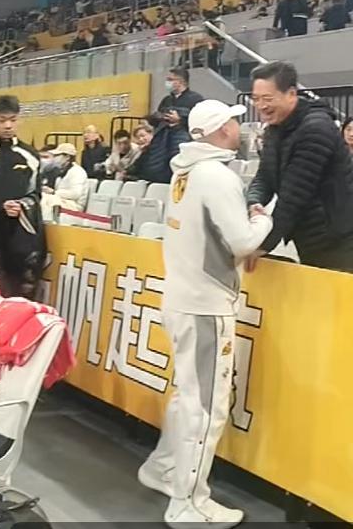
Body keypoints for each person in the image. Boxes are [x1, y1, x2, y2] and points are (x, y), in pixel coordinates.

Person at [138, 100, 272, 528]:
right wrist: (264, 219)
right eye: (233, 121)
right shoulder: (217, 175)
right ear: (222, 129)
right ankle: (188, 503)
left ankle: (163, 468)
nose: (238, 127)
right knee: (207, 408)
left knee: (187, 396)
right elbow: (242, 241)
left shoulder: (185, 171)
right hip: (206, 306)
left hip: (181, 297)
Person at [246, 61, 353, 271]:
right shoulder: (274, 129)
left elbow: (294, 196)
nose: (261, 106)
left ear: (291, 94)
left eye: (267, 99)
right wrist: (254, 201)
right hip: (308, 234)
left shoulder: (316, 129)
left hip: (339, 238)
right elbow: (265, 176)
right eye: (256, 99)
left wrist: (263, 245)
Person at [0, 95, 46, 299]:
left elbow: (35, 194)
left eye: (13, 120)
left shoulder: (30, 155)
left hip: (17, 235)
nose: (8, 125)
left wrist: (22, 206)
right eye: (2, 120)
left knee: (17, 294)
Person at [41, 143, 88, 216]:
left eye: (57, 156)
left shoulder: (77, 171)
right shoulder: (61, 171)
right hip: (63, 201)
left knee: (47, 200)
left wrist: (53, 192)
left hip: (74, 205)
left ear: (67, 157)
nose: (54, 158)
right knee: (42, 196)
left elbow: (76, 194)